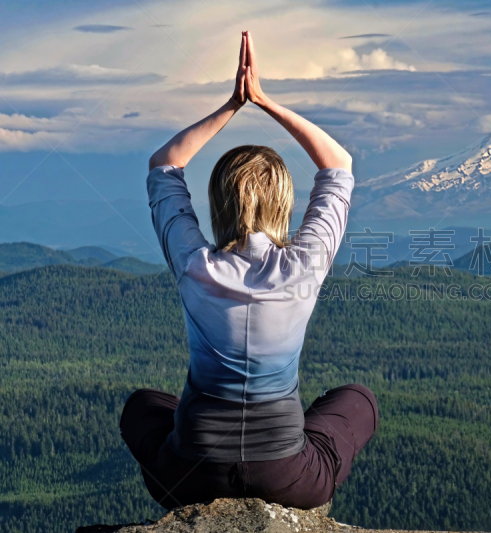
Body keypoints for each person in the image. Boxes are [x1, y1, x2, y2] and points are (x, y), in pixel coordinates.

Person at [118, 31, 378, 510]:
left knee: (142, 406)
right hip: (286, 475)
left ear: (217, 202)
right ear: (285, 205)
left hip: (189, 473)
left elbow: (164, 165)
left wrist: (232, 105)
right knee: (355, 400)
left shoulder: (196, 264)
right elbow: (338, 164)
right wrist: (266, 101)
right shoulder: (304, 265)